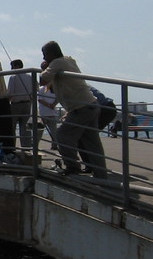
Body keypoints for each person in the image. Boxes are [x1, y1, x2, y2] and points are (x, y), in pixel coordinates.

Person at [39, 41, 107, 179]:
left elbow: (43, 80)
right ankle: (101, 174)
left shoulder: (57, 63)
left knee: (62, 135)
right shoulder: (68, 60)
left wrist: (45, 68)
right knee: (92, 142)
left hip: (80, 108)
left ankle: (72, 167)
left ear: (51, 54)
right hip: (90, 105)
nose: (44, 58)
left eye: (45, 55)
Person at [7, 59, 34, 149]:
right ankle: (26, 147)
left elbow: (10, 93)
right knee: (25, 128)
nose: (11, 69)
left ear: (16, 66)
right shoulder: (30, 77)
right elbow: (36, 88)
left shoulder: (13, 77)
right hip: (27, 103)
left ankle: (11, 147)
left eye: (12, 66)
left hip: (15, 104)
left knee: (12, 127)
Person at [36, 81, 59, 150]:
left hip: (46, 112)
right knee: (52, 130)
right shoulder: (54, 89)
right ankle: (54, 145)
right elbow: (58, 99)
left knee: (41, 131)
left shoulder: (42, 89)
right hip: (49, 112)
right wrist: (52, 105)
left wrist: (50, 105)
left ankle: (36, 144)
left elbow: (40, 100)